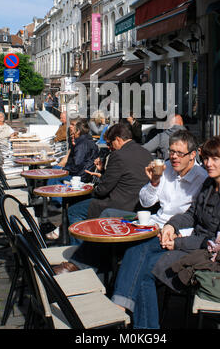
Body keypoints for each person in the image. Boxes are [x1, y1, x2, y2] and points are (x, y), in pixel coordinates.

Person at [111, 135, 220, 329]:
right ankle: (122, 307)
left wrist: (178, 242)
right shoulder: (209, 185)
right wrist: (171, 226)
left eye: (215, 159)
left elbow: (219, 246)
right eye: (206, 159)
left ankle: (142, 326)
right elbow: (191, 214)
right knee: (138, 247)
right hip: (191, 244)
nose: (208, 164)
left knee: (145, 270)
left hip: (208, 259)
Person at [54, 130, 207, 275]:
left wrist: (178, 234)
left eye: (180, 153)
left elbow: (197, 217)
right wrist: (154, 183)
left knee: (84, 212)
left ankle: (80, 265)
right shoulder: (166, 169)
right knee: (108, 215)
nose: (174, 157)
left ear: (192, 155)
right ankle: (87, 263)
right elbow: (146, 202)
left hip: (170, 231)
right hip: (152, 220)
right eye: (172, 152)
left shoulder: (202, 179)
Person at [55, 123, 152, 251]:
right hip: (138, 205)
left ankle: (80, 255)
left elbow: (103, 190)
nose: (110, 147)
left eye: (110, 144)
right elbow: (126, 178)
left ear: (118, 139)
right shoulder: (146, 153)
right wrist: (102, 173)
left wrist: (93, 186)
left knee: (74, 211)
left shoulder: (118, 155)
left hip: (118, 205)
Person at [47, 118, 99, 209]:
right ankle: (56, 200)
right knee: (54, 171)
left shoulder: (82, 144)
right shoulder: (84, 141)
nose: (70, 128)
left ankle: (58, 203)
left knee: (54, 174)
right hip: (82, 173)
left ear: (78, 130)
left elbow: (77, 165)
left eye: (73, 126)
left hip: (80, 175)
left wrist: (63, 170)